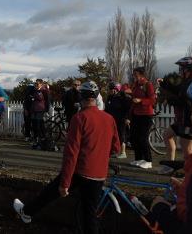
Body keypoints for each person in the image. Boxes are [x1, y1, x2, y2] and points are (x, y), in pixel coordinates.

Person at [13, 81, 120, 234]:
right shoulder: (109, 119)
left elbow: (71, 153)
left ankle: (27, 212)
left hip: (80, 171)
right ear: (97, 97)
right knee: (90, 213)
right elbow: (115, 147)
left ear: (81, 97)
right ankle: (27, 212)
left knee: (50, 192)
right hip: (100, 173)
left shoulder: (79, 118)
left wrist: (65, 183)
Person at [149, 77, 192, 234]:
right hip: (178, 123)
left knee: (187, 154)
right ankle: (170, 162)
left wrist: (160, 209)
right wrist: (187, 189)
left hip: (182, 125)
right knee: (167, 136)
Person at [158, 57, 192, 174]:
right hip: (181, 120)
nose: (180, 70)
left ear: (189, 69)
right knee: (167, 135)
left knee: (187, 151)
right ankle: (170, 164)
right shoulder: (187, 81)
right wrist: (164, 84)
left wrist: (170, 100)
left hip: (189, 121)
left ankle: (191, 175)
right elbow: (178, 91)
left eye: (182, 68)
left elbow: (185, 101)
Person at [129, 67, 156, 169]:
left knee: (143, 138)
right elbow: (133, 97)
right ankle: (138, 159)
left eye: (136, 74)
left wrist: (141, 100)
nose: (134, 76)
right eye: (133, 74)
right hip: (136, 114)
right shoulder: (135, 85)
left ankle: (148, 161)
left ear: (141, 74)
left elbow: (153, 100)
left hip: (146, 114)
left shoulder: (148, 84)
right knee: (134, 137)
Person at [105, 82, 132, 158]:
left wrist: (127, 118)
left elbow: (128, 109)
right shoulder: (110, 97)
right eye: (109, 89)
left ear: (115, 89)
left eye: (110, 89)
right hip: (112, 120)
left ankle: (123, 152)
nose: (109, 90)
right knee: (113, 135)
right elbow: (107, 108)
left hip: (121, 119)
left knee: (121, 134)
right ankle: (115, 151)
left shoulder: (122, 97)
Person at [28, 79, 50, 149]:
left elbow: (47, 100)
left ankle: (40, 140)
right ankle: (37, 139)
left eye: (37, 84)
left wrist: (47, 109)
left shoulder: (44, 90)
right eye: (35, 84)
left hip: (40, 109)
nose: (36, 85)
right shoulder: (34, 90)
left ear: (41, 84)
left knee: (38, 125)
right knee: (35, 124)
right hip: (34, 109)